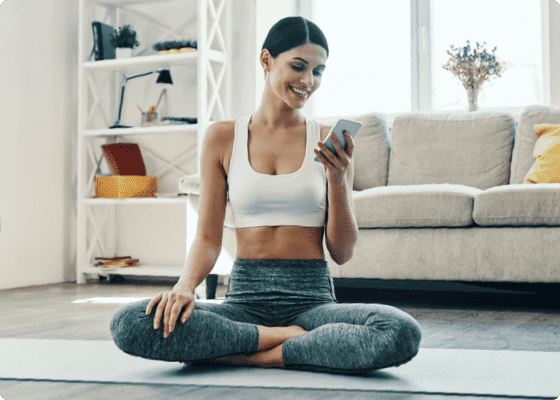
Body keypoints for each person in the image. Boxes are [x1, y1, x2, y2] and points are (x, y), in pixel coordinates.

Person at [110, 16, 422, 375]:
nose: (308, 81)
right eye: (298, 66)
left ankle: (243, 353)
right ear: (266, 60)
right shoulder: (222, 138)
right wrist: (185, 287)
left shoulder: (329, 143)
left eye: (318, 71)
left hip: (312, 303)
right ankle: (289, 341)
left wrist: (337, 178)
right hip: (243, 301)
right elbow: (208, 238)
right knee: (130, 322)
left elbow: (343, 252)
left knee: (398, 331)